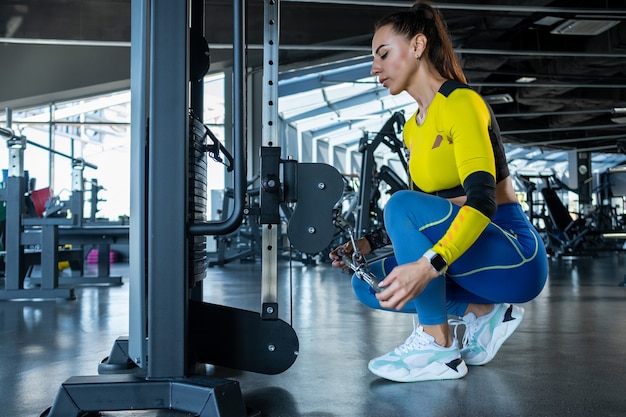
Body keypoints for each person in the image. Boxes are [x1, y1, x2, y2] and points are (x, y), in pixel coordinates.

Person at [329, 0, 548, 383]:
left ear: (417, 46)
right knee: (372, 285)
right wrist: (369, 243)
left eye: (383, 54)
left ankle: (437, 345)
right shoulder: (412, 128)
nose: (374, 68)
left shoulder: (461, 103)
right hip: (471, 255)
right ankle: (483, 313)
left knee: (399, 205)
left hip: (514, 254)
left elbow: (481, 200)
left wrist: (429, 265)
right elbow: (428, 212)